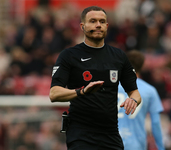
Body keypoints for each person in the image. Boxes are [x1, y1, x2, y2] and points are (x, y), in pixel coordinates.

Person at [49, 6, 141, 150]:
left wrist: (133, 100)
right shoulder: (69, 56)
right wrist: (82, 91)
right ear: (82, 26)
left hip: (110, 134)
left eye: (102, 21)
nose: (98, 24)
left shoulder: (119, 56)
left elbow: (134, 92)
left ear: (107, 26)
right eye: (93, 21)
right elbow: (54, 94)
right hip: (80, 134)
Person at [118, 50, 165, 150]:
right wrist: (161, 147)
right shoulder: (149, 91)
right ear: (142, 66)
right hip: (135, 144)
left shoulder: (112, 86)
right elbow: (155, 123)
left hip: (110, 142)